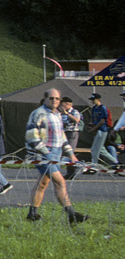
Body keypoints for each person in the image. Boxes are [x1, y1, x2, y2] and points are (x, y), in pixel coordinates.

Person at [25, 88, 87, 224]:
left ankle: (32, 213)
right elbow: (31, 137)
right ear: (45, 99)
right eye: (51, 98)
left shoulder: (58, 115)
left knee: (43, 183)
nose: (54, 101)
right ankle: (72, 214)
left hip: (56, 152)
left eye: (57, 98)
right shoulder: (38, 114)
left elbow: (62, 136)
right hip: (42, 154)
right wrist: (47, 155)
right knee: (60, 181)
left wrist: (71, 154)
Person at [86, 93, 116, 167]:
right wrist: (91, 126)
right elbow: (93, 120)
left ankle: (94, 166)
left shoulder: (102, 108)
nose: (92, 101)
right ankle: (115, 162)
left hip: (102, 131)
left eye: (93, 99)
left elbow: (102, 121)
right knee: (102, 150)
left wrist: (94, 128)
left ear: (98, 100)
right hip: (96, 131)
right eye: (92, 100)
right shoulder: (94, 108)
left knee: (94, 150)